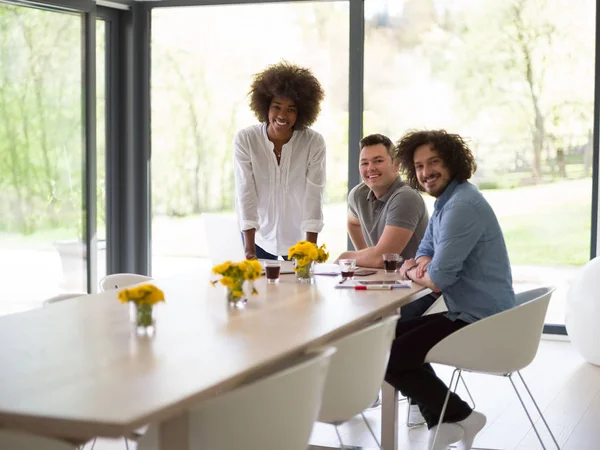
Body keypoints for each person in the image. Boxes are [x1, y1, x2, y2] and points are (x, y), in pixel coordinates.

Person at [387, 130, 516, 450]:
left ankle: (460, 415)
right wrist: (420, 264)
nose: (426, 172)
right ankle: (441, 421)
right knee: (390, 335)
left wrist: (421, 268)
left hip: (481, 319)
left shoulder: (462, 206)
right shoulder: (448, 201)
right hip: (466, 310)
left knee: (386, 357)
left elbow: (439, 278)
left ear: (452, 162)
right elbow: (424, 253)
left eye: (434, 162)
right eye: (418, 166)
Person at [233, 61, 326, 260]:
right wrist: (249, 249)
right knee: (256, 290)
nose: (282, 115)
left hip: (299, 239)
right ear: (266, 107)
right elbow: (245, 192)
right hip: (257, 238)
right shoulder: (246, 140)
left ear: (301, 112)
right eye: (277, 107)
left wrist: (309, 250)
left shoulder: (314, 143)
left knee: (300, 290)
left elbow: (313, 196)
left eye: (291, 109)